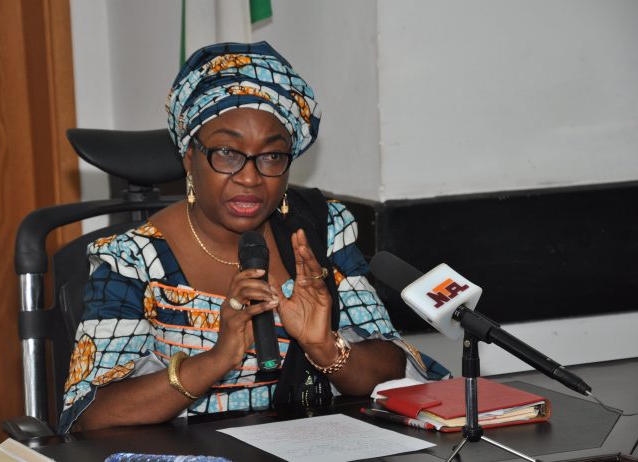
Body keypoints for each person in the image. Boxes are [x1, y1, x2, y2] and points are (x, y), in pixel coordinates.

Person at [59, 42, 448, 433]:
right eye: (227, 153)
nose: (250, 177)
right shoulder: (131, 259)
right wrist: (216, 359)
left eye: (272, 156)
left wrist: (325, 347)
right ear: (190, 157)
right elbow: (89, 414)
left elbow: (392, 366)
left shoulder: (319, 231)